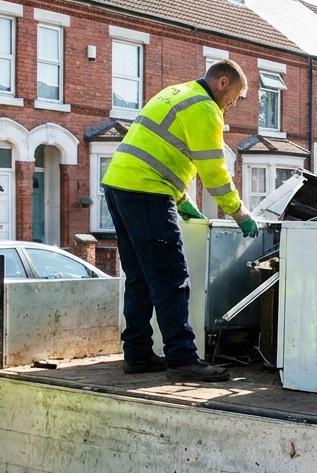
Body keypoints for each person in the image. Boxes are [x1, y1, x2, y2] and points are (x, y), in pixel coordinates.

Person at [101, 58, 257, 383]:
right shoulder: (204, 107)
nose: (234, 105)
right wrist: (239, 212)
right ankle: (183, 358)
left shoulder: (176, 93)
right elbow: (213, 170)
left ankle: (138, 353)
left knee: (141, 277)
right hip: (146, 192)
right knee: (172, 278)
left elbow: (161, 151)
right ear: (223, 82)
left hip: (120, 186)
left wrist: (183, 201)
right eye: (236, 96)